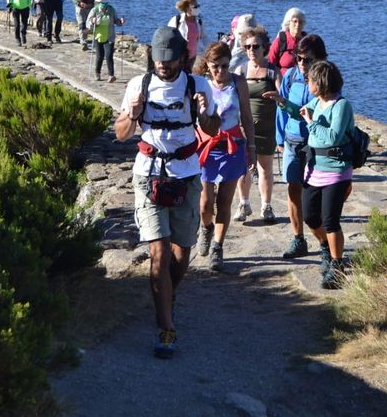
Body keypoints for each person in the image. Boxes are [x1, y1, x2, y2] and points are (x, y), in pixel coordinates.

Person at [114, 26, 220, 359]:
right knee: (158, 254)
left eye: (169, 59)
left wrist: (206, 112)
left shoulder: (197, 86)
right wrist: (133, 111)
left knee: (180, 255)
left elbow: (214, 129)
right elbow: (120, 133)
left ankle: (166, 297)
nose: (163, 65)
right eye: (159, 59)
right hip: (148, 176)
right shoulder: (138, 85)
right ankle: (166, 328)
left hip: (187, 176)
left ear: (182, 60)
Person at [263, 34, 329, 259]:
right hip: (291, 143)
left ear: (319, 59)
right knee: (293, 190)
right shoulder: (290, 76)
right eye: (298, 58)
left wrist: (284, 104)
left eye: (307, 59)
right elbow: (281, 112)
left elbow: (311, 114)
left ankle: (325, 243)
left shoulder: (325, 83)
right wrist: (280, 140)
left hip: (315, 145)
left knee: (314, 196)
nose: (302, 63)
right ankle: (298, 239)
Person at [193, 42, 256, 272]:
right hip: (207, 147)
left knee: (224, 201)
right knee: (205, 203)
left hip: (232, 146)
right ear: (207, 66)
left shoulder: (238, 84)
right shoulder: (200, 85)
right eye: (215, 66)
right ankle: (206, 227)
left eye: (224, 66)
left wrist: (252, 147)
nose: (220, 71)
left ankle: (218, 247)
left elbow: (247, 118)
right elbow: (190, 117)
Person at [299, 60, 355, 289]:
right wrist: (283, 103)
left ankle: (337, 264)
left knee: (331, 221)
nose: (307, 82)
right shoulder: (317, 102)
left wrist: (311, 122)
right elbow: (300, 111)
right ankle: (325, 247)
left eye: (310, 79)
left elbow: (332, 137)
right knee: (310, 217)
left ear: (320, 82)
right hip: (314, 170)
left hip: (336, 171)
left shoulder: (341, 106)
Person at [233, 26, 279, 224]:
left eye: (255, 46)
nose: (251, 50)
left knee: (265, 168)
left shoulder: (272, 72)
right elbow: (231, 98)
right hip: (244, 128)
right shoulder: (240, 71)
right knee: (243, 168)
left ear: (264, 47)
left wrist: (278, 98)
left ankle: (266, 206)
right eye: (247, 46)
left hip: (267, 128)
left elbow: (283, 98)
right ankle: (244, 204)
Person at [87, 0, 125, 82]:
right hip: (98, 36)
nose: (104, 5)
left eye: (105, 3)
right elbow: (88, 24)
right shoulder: (94, 10)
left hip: (110, 36)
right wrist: (93, 21)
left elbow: (116, 21)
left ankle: (111, 75)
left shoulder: (112, 10)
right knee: (100, 56)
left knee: (109, 55)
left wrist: (121, 22)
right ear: (99, 2)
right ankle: (97, 74)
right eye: (102, 3)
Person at [167, 0, 209, 69]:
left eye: (198, 6)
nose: (197, 8)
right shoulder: (177, 20)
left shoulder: (199, 21)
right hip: (179, 56)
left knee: (188, 76)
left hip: (193, 56)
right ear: (188, 9)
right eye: (195, 7)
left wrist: (210, 49)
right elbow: (168, 36)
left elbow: (204, 37)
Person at [268, 7, 307, 77]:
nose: (297, 25)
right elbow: (270, 64)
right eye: (295, 21)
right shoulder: (280, 41)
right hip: (283, 81)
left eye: (300, 22)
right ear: (288, 23)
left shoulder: (307, 41)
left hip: (303, 82)